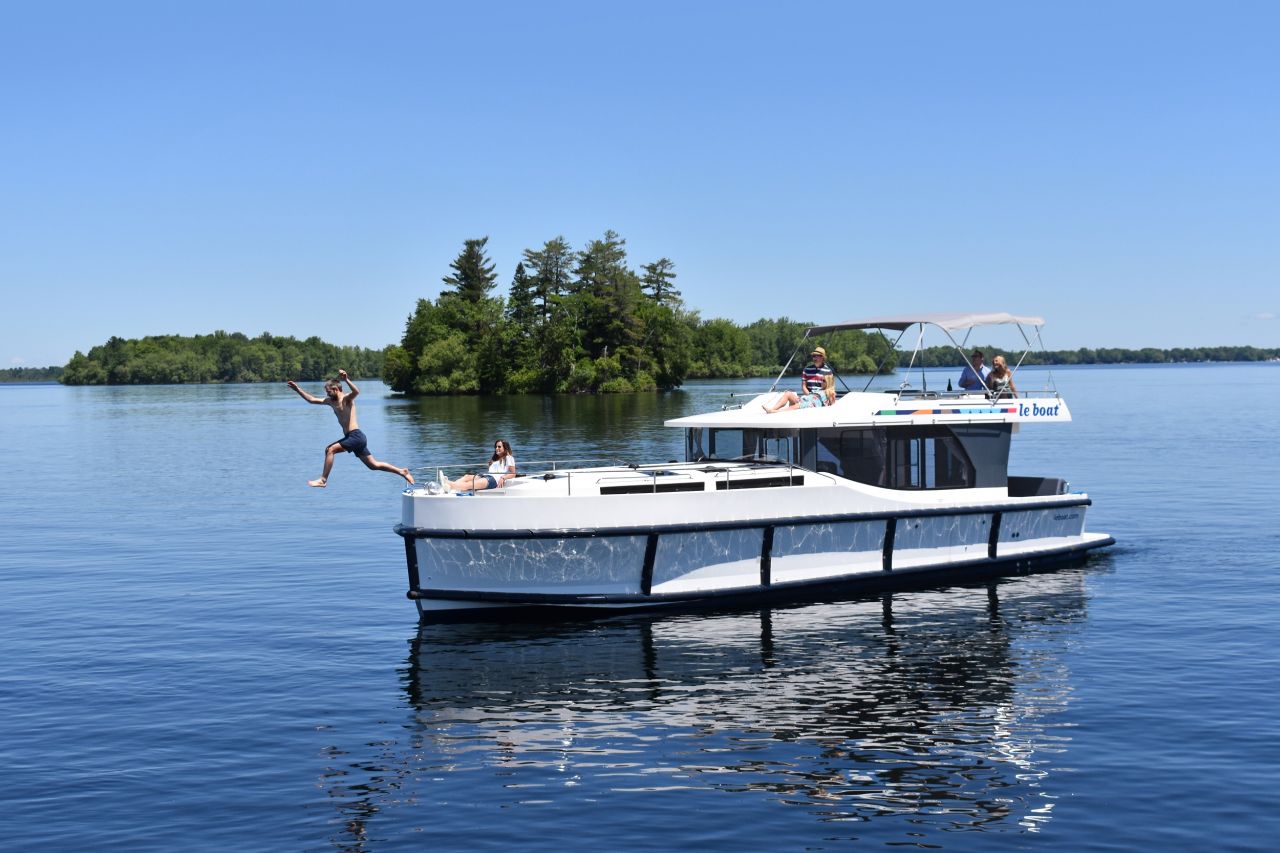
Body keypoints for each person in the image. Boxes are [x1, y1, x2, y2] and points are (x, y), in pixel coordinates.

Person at [286, 370, 414, 488]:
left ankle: (323, 480)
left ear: (336, 389)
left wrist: (347, 379)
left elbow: (356, 392)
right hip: (353, 438)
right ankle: (401, 471)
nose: (327, 394)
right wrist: (297, 389)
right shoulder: (330, 401)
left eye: (329, 391)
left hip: (355, 436)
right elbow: (312, 399)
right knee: (373, 465)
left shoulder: (347, 399)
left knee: (330, 450)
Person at [446, 440, 517, 493]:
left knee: (470, 484)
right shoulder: (496, 459)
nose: (496, 448)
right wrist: (490, 465)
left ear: (505, 448)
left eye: (499, 447)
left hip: (494, 480)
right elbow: (493, 470)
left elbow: (513, 473)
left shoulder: (509, 457)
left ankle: (450, 485)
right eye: (496, 447)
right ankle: (451, 486)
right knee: (466, 476)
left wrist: (503, 477)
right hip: (487, 476)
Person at [765, 374, 836, 413]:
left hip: (811, 405)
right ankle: (773, 409)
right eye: (821, 380)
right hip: (805, 399)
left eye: (823, 381)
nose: (821, 382)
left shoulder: (830, 392)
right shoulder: (819, 389)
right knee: (788, 393)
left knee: (797, 405)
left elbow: (833, 407)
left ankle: (776, 412)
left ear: (828, 382)